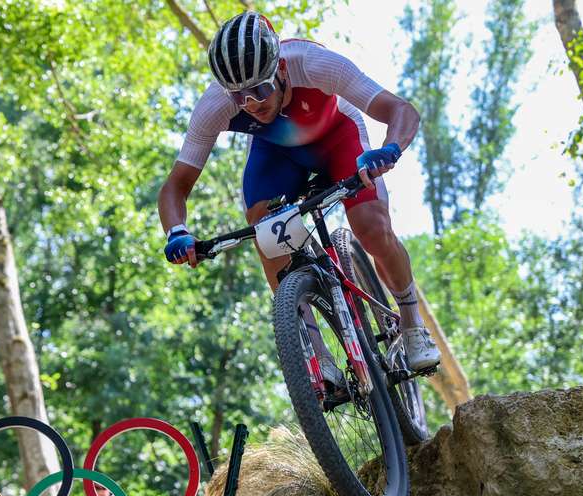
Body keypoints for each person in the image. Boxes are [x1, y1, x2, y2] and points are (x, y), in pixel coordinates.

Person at [158, 11, 440, 376]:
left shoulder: (314, 63)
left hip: (338, 138)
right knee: (264, 228)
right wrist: (176, 231)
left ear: (282, 71)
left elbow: (401, 110)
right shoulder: (216, 105)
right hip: (278, 155)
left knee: (370, 225)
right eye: (240, 97)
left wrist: (390, 149)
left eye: (260, 89)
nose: (252, 104)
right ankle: (316, 354)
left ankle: (412, 324)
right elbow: (176, 186)